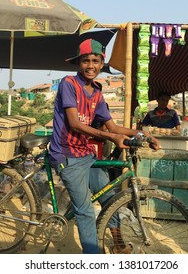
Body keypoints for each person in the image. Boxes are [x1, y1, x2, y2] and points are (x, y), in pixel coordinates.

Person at [48, 38, 159, 254]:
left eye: (95, 61)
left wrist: (142, 133)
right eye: (86, 61)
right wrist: (109, 138)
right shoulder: (68, 84)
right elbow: (74, 123)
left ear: (101, 63)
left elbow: (113, 127)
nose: (91, 65)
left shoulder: (97, 93)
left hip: (86, 155)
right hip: (67, 155)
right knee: (86, 212)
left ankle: (117, 243)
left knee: (110, 197)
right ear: (79, 63)